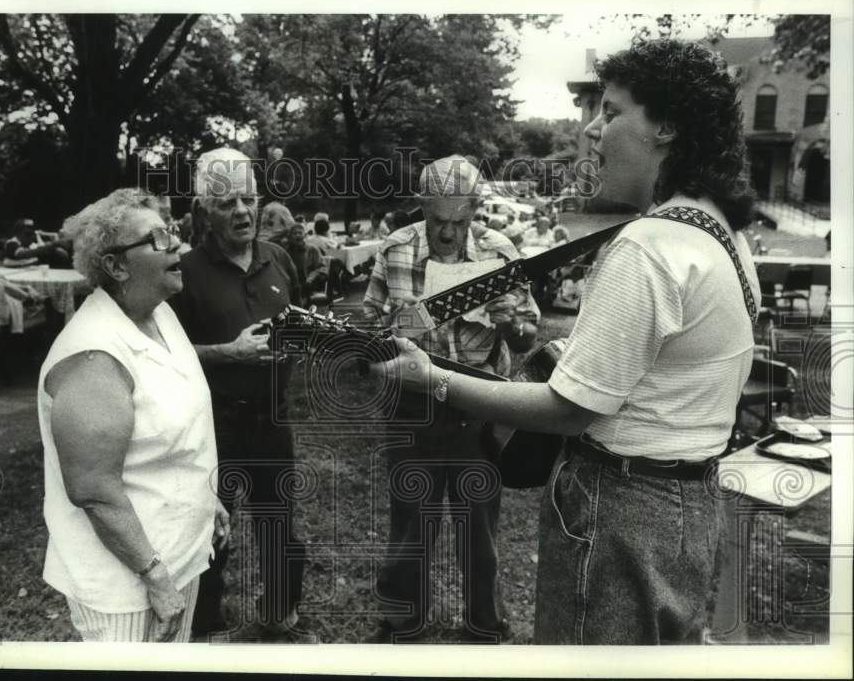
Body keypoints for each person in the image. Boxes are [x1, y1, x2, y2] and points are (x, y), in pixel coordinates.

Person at [373, 39, 759, 645]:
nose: (593, 132)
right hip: (691, 504)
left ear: (666, 127)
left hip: (620, 512)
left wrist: (435, 379)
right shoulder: (723, 235)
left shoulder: (647, 247)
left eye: (611, 111)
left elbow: (569, 409)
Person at [38, 187, 229, 642]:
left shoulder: (158, 313)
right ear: (117, 265)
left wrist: (207, 501)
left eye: (173, 232)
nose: (177, 244)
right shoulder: (93, 356)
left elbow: (178, 430)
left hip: (176, 555)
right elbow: (93, 490)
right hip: (125, 584)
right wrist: (156, 579)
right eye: (157, 239)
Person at [362, 155, 539, 643]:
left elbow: (527, 338)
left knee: (478, 528)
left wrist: (509, 323)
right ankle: (403, 623)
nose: (447, 233)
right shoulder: (395, 249)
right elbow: (367, 332)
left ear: (476, 210)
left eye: (459, 222)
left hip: (479, 407)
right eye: (437, 220)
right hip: (412, 408)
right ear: (421, 207)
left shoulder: (501, 251)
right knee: (410, 525)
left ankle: (485, 624)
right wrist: (401, 327)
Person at [172, 148, 307, 640]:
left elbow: (300, 323)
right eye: (227, 203)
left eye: (248, 198)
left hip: (273, 418)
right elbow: (162, 356)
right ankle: (204, 625)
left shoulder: (280, 260)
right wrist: (229, 353)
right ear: (205, 211)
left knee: (279, 524)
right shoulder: (182, 271)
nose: (243, 212)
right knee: (209, 532)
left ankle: (281, 615)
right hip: (213, 425)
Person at [284, 222, 327, 304]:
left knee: (300, 291)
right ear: (289, 237)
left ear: (304, 235)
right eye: (295, 233)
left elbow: (322, 268)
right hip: (291, 283)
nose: (297, 235)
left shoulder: (312, 249)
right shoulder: (286, 251)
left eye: (300, 233)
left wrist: (311, 278)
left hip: (308, 282)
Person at [4, 218, 72, 268]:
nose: (31, 237)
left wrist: (55, 248)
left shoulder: (29, 244)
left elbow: (42, 248)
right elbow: (23, 254)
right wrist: (53, 245)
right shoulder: (11, 243)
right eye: (27, 234)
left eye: (32, 234)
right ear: (17, 233)